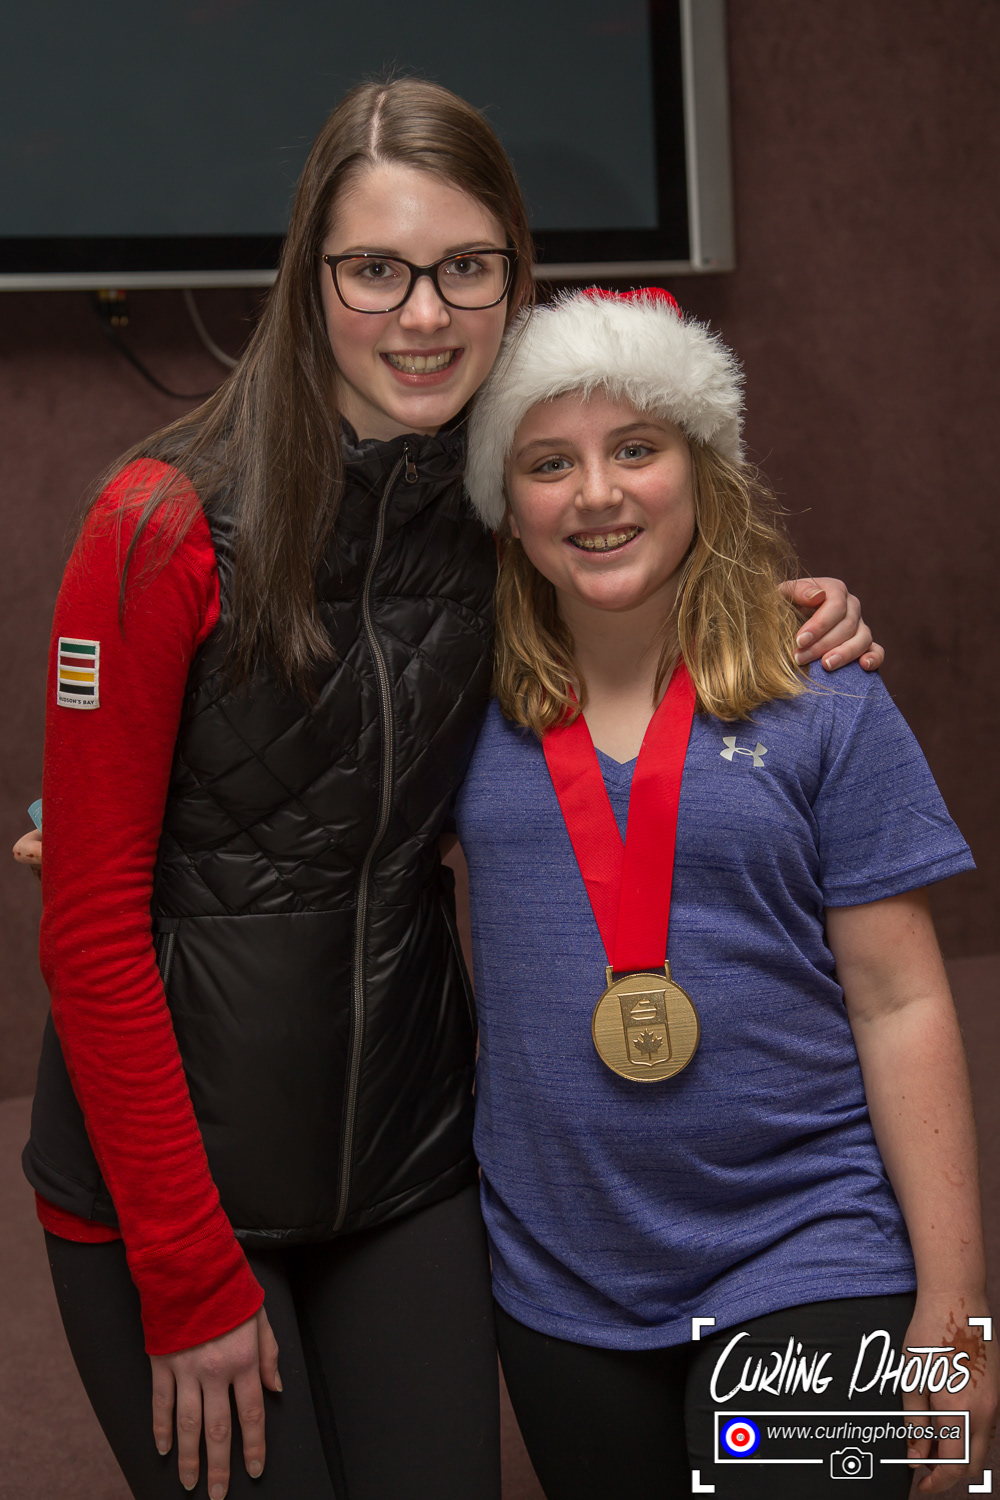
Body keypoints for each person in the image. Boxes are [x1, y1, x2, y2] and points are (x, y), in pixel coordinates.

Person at [16, 81, 880, 1500]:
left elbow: (637, 571)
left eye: (466, 267)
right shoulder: (156, 524)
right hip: (173, 1190)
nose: (424, 315)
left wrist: (787, 607)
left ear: (515, 279)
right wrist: (183, 1269)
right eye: (376, 269)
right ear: (312, 278)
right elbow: (92, 929)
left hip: (408, 1165)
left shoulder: (499, 513)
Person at [453, 286, 997, 1497]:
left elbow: (900, 1002)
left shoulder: (826, 696)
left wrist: (958, 1309)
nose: (596, 494)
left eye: (636, 448)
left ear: (702, 473)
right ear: (506, 508)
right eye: (549, 463)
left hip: (807, 1244)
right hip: (560, 1273)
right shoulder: (462, 714)